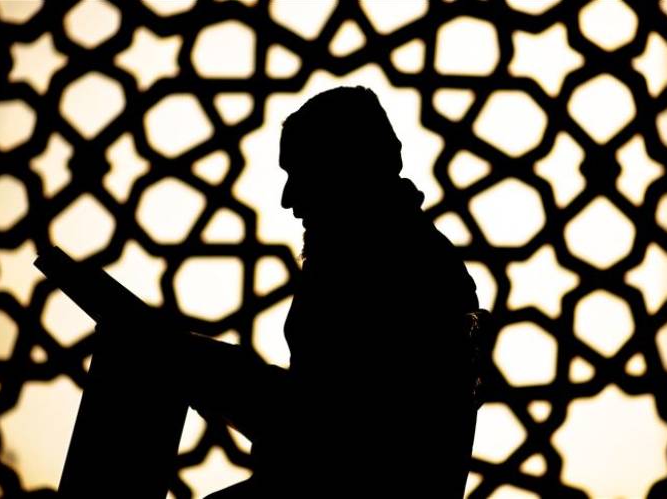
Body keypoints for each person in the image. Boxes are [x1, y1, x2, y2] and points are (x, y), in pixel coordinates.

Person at [185, 86, 480, 498]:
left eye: (301, 174)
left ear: (346, 170)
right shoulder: (388, 258)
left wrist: (214, 371)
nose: (289, 199)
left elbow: (339, 432)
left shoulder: (403, 268)